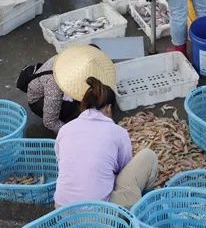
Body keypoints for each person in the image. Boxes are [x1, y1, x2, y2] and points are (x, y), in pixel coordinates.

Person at [54, 75, 158, 208]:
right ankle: (145, 202)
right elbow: (123, 169)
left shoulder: (64, 129)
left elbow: (61, 161)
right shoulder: (117, 132)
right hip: (99, 215)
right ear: (108, 108)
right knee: (148, 156)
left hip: (62, 210)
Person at [28, 45, 115, 134]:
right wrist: (72, 134)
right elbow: (50, 122)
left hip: (54, 91)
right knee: (79, 113)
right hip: (40, 100)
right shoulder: (54, 85)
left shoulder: (72, 56)